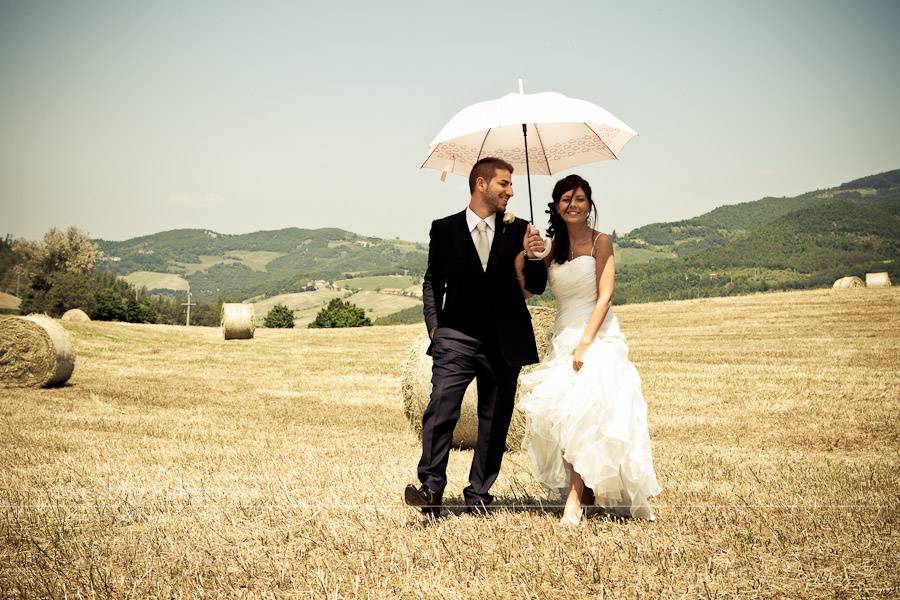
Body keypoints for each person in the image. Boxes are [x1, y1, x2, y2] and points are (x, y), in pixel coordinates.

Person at [404, 156, 548, 516]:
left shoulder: (521, 229)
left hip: (506, 337)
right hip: (456, 335)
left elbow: (536, 287)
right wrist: (435, 328)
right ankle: (431, 488)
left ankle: (480, 494)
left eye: (513, 185)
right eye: (504, 184)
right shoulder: (444, 228)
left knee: (495, 419)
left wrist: (533, 257)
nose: (511, 192)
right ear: (481, 184)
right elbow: (432, 282)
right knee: (441, 408)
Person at [518, 174, 661, 525]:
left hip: (597, 334)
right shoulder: (550, 249)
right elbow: (527, 293)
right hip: (563, 333)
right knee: (566, 415)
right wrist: (524, 257)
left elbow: (605, 295)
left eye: (580, 198)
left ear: (589, 204)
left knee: (588, 411)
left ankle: (574, 500)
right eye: (566, 199)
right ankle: (584, 491)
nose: (573, 204)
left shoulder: (602, 242)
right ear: (555, 206)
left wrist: (585, 343)